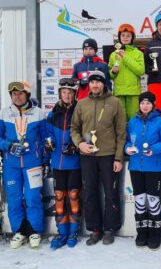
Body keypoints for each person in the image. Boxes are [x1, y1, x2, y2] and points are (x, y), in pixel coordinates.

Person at [71, 70, 126, 246]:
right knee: (89, 193)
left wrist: (118, 158)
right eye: (92, 82)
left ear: (104, 84)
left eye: (98, 82)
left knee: (111, 193)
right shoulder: (81, 103)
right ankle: (95, 229)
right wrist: (79, 144)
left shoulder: (115, 102)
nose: (95, 85)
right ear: (89, 85)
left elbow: (121, 132)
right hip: (87, 155)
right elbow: (74, 128)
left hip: (108, 155)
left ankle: (110, 229)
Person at [0, 81, 47, 249]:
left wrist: (45, 160)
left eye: (20, 94)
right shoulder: (4, 113)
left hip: (32, 163)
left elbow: (45, 138)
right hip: (11, 165)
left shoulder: (39, 113)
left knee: (32, 197)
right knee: (14, 199)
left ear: (27, 94)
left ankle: (35, 230)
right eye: (13, 94)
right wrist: (8, 146)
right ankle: (19, 231)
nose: (16, 97)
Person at [125, 91, 161, 250]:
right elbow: (126, 140)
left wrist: (154, 149)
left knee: (152, 200)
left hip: (154, 166)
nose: (145, 106)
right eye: (142, 103)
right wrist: (127, 149)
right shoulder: (132, 121)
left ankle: (154, 233)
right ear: (139, 104)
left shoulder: (160, 122)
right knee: (139, 200)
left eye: (148, 103)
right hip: (136, 166)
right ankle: (141, 233)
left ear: (153, 105)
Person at [45, 78, 81, 249]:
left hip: (74, 162)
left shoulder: (79, 111)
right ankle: (62, 232)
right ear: (60, 94)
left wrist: (75, 146)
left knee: (73, 196)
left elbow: (87, 134)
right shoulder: (53, 114)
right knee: (59, 197)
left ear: (74, 94)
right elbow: (47, 133)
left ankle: (73, 231)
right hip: (57, 163)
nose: (67, 95)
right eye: (64, 92)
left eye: (70, 92)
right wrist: (49, 142)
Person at [109, 23, 145, 121]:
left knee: (134, 120)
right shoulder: (113, 54)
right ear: (119, 38)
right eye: (123, 35)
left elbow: (141, 71)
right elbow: (110, 75)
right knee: (120, 120)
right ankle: (122, 137)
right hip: (119, 92)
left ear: (132, 37)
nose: (125, 38)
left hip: (133, 92)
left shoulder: (138, 53)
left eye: (128, 35)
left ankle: (133, 137)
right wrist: (113, 72)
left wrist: (125, 58)